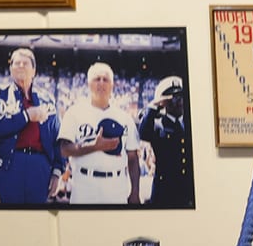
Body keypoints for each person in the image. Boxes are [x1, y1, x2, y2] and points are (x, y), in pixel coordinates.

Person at [0, 46, 58, 205]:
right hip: (11, 163)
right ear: (10, 69)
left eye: (25, 63)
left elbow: (58, 137)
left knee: (38, 219)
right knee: (11, 218)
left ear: (34, 71)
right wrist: (26, 116)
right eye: (16, 63)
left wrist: (57, 172)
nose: (21, 66)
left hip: (40, 165)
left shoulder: (47, 99)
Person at [59, 62, 143, 206]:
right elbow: (64, 149)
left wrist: (135, 192)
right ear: (88, 84)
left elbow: (133, 158)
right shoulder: (74, 113)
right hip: (84, 185)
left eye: (106, 80)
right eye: (97, 79)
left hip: (116, 187)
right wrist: (95, 146)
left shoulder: (124, 117)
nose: (101, 83)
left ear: (112, 86)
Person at [136, 75, 192, 208]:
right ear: (164, 102)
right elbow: (143, 133)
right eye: (174, 99)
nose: (179, 102)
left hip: (187, 189)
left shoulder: (188, 123)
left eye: (181, 97)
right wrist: (154, 105)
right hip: (165, 191)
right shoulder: (158, 125)